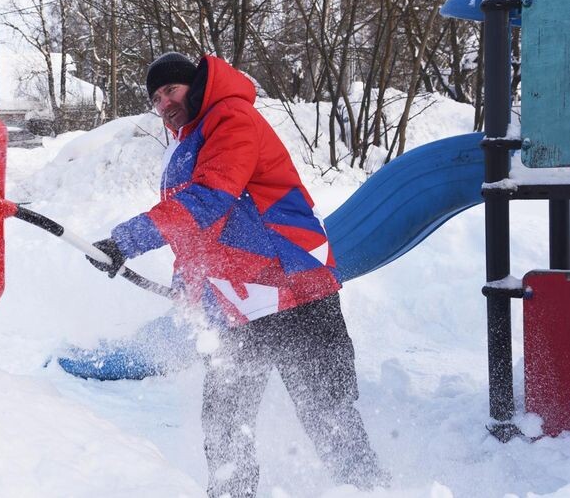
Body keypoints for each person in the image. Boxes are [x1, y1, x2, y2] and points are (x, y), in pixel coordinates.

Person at [86, 52, 389, 497]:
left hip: (296, 288)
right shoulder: (189, 142)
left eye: (170, 90)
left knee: (329, 416)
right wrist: (189, 290)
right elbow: (198, 236)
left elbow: (209, 201)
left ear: (195, 84)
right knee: (225, 424)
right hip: (243, 305)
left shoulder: (231, 118)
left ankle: (370, 490)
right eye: (155, 98)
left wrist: (128, 239)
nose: (164, 103)